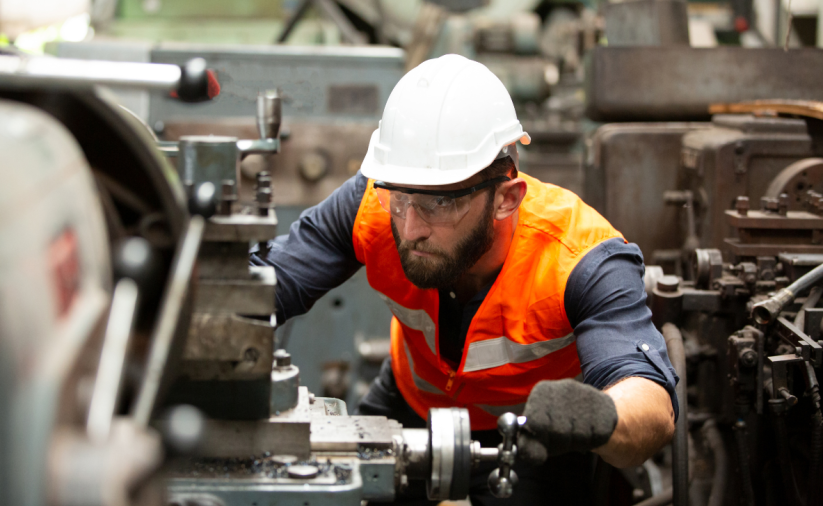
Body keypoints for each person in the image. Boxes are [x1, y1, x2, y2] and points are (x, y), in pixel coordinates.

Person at [251, 54, 677, 505]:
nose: (411, 227)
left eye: (439, 204)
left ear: (506, 199)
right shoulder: (372, 205)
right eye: (400, 198)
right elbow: (266, 284)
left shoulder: (580, 259)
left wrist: (600, 417)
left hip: (533, 433)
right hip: (410, 402)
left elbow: (650, 408)